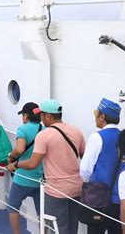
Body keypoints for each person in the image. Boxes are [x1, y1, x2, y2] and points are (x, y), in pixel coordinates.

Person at [16, 99, 85, 234]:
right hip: (77, 188)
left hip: (56, 191)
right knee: (72, 228)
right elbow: (84, 157)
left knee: (56, 229)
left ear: (48, 116)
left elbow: (32, 163)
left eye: (41, 115)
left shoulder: (44, 135)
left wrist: (16, 164)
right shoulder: (77, 131)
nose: (40, 118)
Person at [80, 98, 123, 234]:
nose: (95, 118)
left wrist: (89, 184)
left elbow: (85, 170)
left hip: (99, 199)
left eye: (96, 113)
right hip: (121, 199)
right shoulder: (124, 136)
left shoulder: (97, 137)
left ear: (102, 116)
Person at [6, 102, 43, 234]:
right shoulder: (44, 129)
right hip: (40, 177)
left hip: (22, 177)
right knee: (41, 212)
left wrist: (10, 157)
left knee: (13, 206)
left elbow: (20, 149)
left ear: (26, 116)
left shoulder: (23, 129)